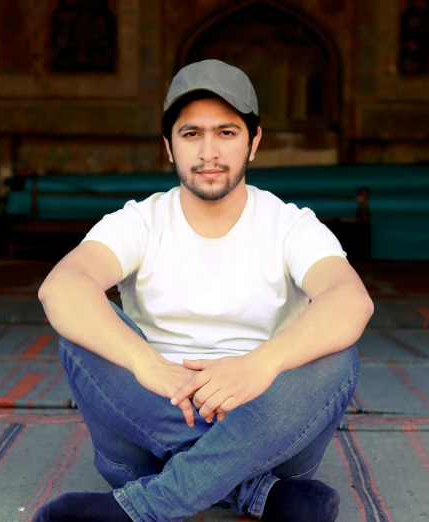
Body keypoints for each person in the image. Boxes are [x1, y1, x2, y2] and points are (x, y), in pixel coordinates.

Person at [35, 59, 373, 522]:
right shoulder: (139, 221)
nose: (208, 152)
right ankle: (258, 495)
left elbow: (350, 299)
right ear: (168, 147)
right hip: (152, 419)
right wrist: (146, 363)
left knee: (337, 355)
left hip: (268, 422)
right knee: (80, 332)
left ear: (254, 142)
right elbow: (62, 287)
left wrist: (260, 365)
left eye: (227, 133)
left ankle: (144, 507)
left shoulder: (291, 224)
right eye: (191, 134)